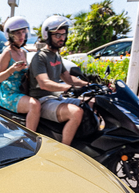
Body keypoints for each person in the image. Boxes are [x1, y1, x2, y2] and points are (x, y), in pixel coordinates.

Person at [29, 15, 89, 145]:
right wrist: (66, 87)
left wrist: (89, 84)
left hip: (57, 98)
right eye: (57, 35)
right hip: (43, 100)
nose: (62, 38)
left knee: (92, 103)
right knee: (76, 113)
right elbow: (44, 83)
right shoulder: (40, 57)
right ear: (48, 36)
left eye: (63, 34)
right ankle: (65, 149)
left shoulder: (56, 56)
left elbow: (67, 77)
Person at [0, 16, 40, 131]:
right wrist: (12, 69)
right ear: (10, 35)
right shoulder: (7, 53)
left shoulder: (23, 52)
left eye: (23, 32)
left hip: (22, 91)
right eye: (17, 33)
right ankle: (29, 138)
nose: (22, 36)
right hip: (9, 94)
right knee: (34, 105)